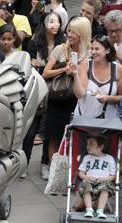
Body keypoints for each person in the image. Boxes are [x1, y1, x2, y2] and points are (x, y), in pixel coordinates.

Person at [42, 16, 91, 165]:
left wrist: (77, 73)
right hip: (58, 99)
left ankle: (71, 172)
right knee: (54, 137)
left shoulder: (90, 53)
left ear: (83, 33)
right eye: (69, 30)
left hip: (78, 100)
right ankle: (53, 172)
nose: (70, 34)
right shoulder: (60, 49)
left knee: (76, 138)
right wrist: (64, 69)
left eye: (74, 32)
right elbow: (45, 73)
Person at [26, 12, 66, 180]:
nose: (55, 24)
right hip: (37, 90)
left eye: (57, 21)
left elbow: (59, 67)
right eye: (51, 21)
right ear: (44, 24)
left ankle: (45, 163)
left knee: (50, 130)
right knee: (30, 130)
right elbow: (31, 67)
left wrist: (46, 69)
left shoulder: (63, 43)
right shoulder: (34, 42)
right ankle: (24, 163)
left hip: (56, 92)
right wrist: (52, 68)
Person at [71, 35, 122, 118]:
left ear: (107, 50)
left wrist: (108, 98)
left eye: (97, 49)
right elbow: (79, 94)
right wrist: (75, 75)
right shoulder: (86, 64)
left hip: (108, 121)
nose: (93, 52)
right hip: (83, 119)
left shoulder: (118, 69)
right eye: (92, 49)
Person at [78, 132, 116, 219]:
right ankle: (89, 209)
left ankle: (100, 210)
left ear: (101, 147)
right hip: (89, 181)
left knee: (105, 188)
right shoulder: (86, 158)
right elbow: (81, 172)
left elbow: (113, 175)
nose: (87, 146)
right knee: (85, 186)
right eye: (87, 143)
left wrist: (105, 179)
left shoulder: (109, 159)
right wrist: (87, 177)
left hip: (103, 181)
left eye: (91, 144)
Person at [104, 10, 122, 89]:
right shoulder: (103, 42)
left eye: (117, 30)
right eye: (110, 31)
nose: (113, 34)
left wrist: (120, 58)